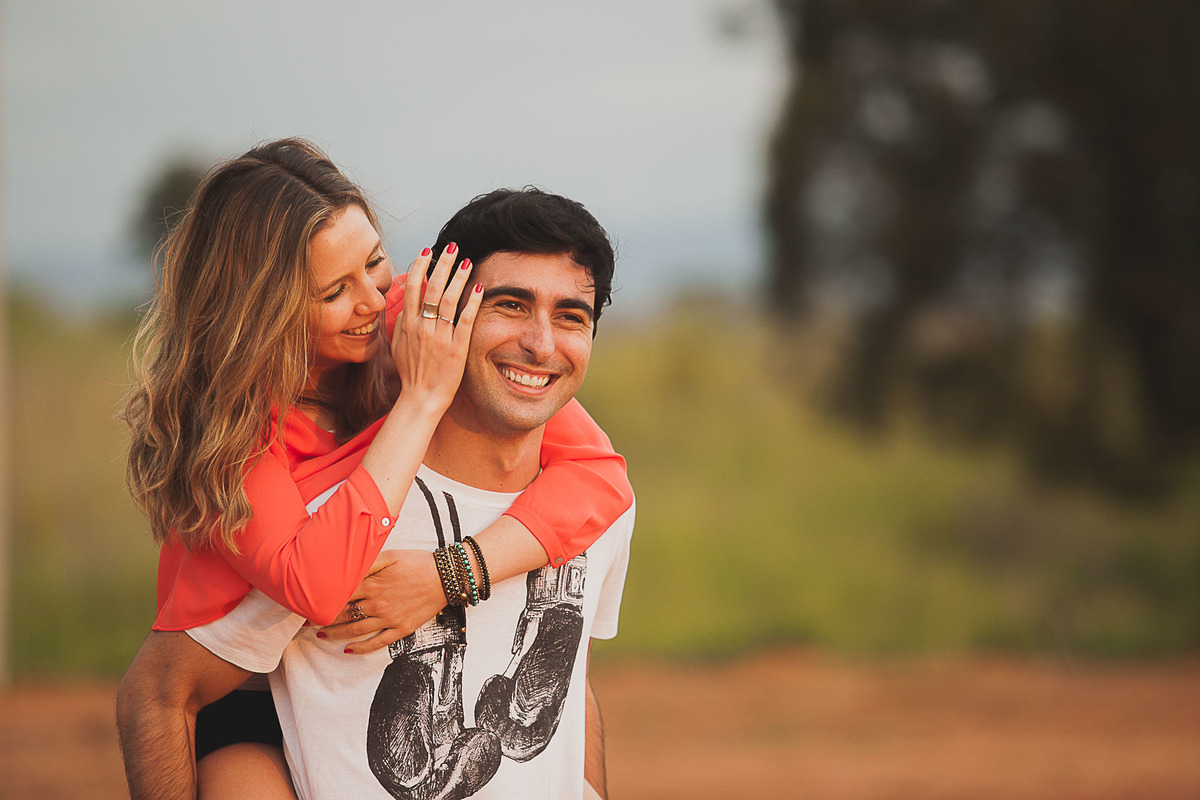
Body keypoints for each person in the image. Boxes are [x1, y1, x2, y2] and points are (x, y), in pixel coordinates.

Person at [116, 141, 632, 798]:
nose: (375, 298)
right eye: (335, 290)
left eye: (374, 261)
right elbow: (315, 586)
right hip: (238, 689)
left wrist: (451, 574)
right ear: (265, 311)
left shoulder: (398, 316)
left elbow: (600, 475)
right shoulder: (238, 442)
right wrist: (422, 399)